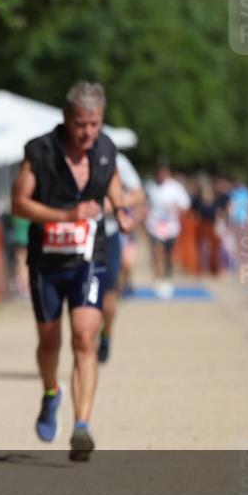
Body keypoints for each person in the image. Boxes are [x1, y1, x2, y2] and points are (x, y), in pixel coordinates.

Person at [11, 81, 133, 461]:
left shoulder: (105, 149)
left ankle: (82, 425)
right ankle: (51, 393)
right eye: (81, 124)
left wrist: (121, 206)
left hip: (89, 258)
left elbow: (111, 176)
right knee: (50, 343)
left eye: (95, 124)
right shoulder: (41, 151)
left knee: (84, 337)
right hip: (47, 262)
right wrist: (65, 215)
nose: (88, 133)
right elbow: (19, 203)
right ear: (67, 119)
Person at [98, 154, 144, 362]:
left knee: (108, 297)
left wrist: (116, 204)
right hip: (78, 238)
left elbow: (138, 193)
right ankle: (84, 343)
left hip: (108, 235)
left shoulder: (116, 159)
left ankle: (106, 333)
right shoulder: (65, 153)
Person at [145, 166, 191, 299]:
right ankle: (158, 280)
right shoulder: (150, 187)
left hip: (171, 227)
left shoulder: (176, 188)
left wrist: (175, 208)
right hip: (154, 226)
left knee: (169, 255)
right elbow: (145, 203)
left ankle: (168, 278)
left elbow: (185, 205)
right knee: (157, 252)